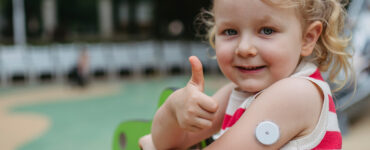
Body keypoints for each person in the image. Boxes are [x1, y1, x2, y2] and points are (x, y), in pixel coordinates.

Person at [140, 0, 354, 149]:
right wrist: (173, 110)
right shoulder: (235, 94)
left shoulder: (297, 93)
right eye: (230, 31)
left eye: (267, 30)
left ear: (307, 38)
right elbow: (166, 143)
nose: (244, 48)